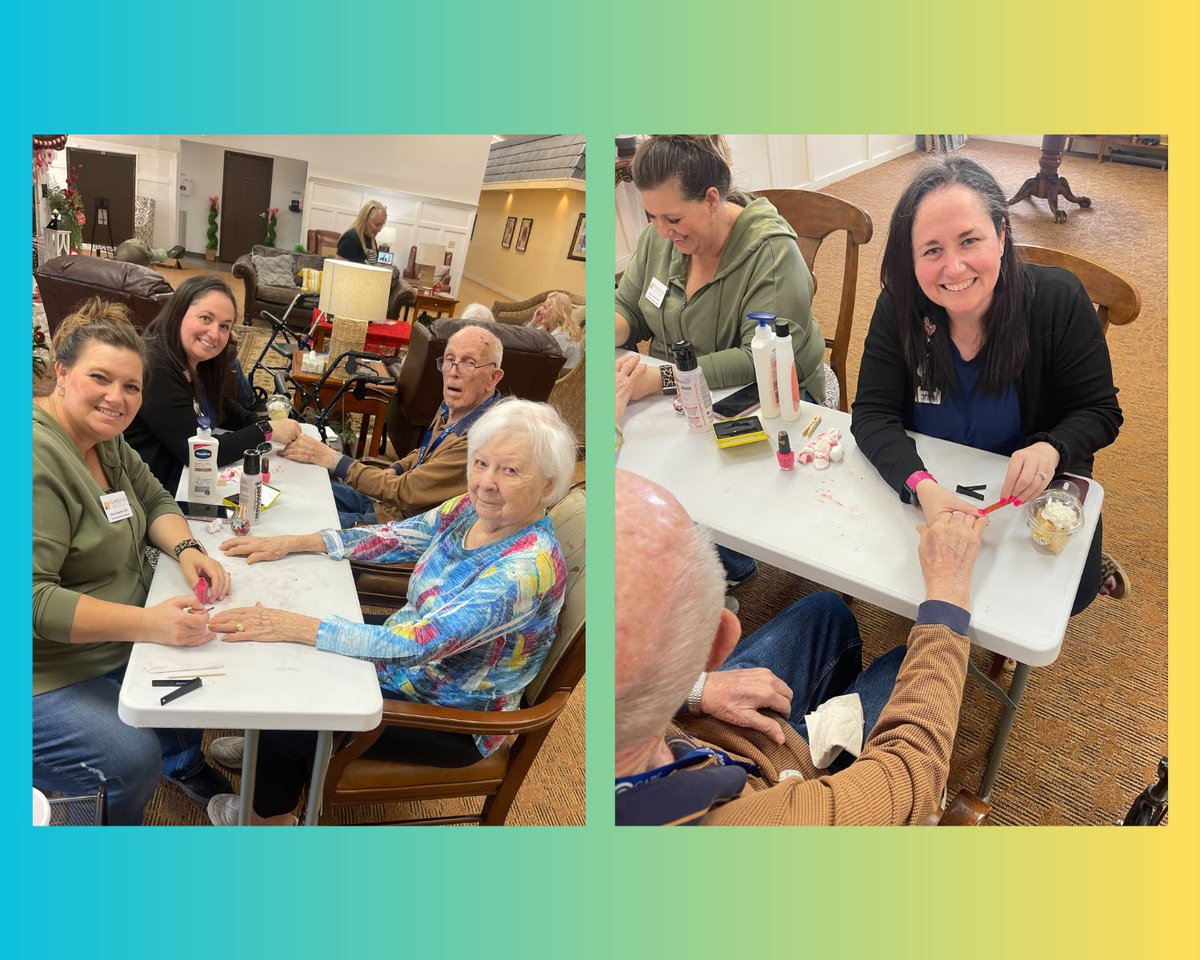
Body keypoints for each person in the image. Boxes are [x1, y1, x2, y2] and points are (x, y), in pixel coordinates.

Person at [201, 400, 577, 825]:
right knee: (294, 653)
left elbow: (418, 646)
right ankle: (266, 741)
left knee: (294, 696)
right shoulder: (472, 510)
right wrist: (295, 542)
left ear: (548, 486)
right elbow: (398, 535)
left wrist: (294, 626)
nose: (486, 483)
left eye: (510, 471)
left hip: (450, 713)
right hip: (412, 658)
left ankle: (269, 822)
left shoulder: (522, 571)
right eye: (481, 462)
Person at [614, 470, 988, 826]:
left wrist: (695, 690)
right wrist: (948, 585)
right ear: (718, 644)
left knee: (825, 612)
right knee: (907, 665)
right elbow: (910, 768)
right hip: (778, 788)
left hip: (702, 739)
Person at [850, 155, 1126, 613]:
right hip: (935, 480)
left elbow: (1100, 411)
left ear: (1000, 235)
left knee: (1064, 598)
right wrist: (922, 485)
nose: (954, 268)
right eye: (932, 250)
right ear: (911, 258)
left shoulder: (1057, 299)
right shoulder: (899, 306)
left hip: (1027, 490)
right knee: (883, 570)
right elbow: (872, 413)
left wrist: (1050, 448)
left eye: (970, 240)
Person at [33, 300, 235, 824]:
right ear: (60, 372)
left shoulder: (105, 439)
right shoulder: (35, 460)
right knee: (127, 759)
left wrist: (189, 551)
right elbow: (33, 602)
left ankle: (181, 761)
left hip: (111, 637)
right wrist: (148, 624)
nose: (116, 398)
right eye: (99, 378)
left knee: (200, 665)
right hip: (44, 669)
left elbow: (154, 501)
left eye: (131, 387)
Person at [615, 135, 825, 402]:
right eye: (652, 216)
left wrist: (664, 378)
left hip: (769, 394)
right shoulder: (655, 239)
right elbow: (629, 308)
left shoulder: (773, 254)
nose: (662, 231)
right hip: (678, 391)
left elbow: (758, 358)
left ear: (712, 200)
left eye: (673, 218)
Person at [280, 325, 505, 527]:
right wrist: (396, 467)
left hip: (400, 526)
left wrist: (331, 458)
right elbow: (426, 454)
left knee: (300, 520)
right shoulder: (457, 403)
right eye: (449, 359)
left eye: (469, 362)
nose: (454, 371)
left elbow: (404, 492)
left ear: (493, 378)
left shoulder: (478, 440)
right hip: (386, 504)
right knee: (298, 494)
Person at [124, 276, 301, 495]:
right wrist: (266, 430)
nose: (215, 334)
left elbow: (218, 405)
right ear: (179, 312)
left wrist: (257, 421)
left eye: (224, 326)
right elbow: (199, 453)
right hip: (158, 492)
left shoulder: (193, 359)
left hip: (183, 479)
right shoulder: (156, 367)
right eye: (206, 318)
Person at [531, 291, 582, 371]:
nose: (540, 310)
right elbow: (523, 341)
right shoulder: (546, 328)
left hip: (559, 379)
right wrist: (533, 322)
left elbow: (542, 363)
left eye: (545, 307)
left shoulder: (562, 336)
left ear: (556, 311)